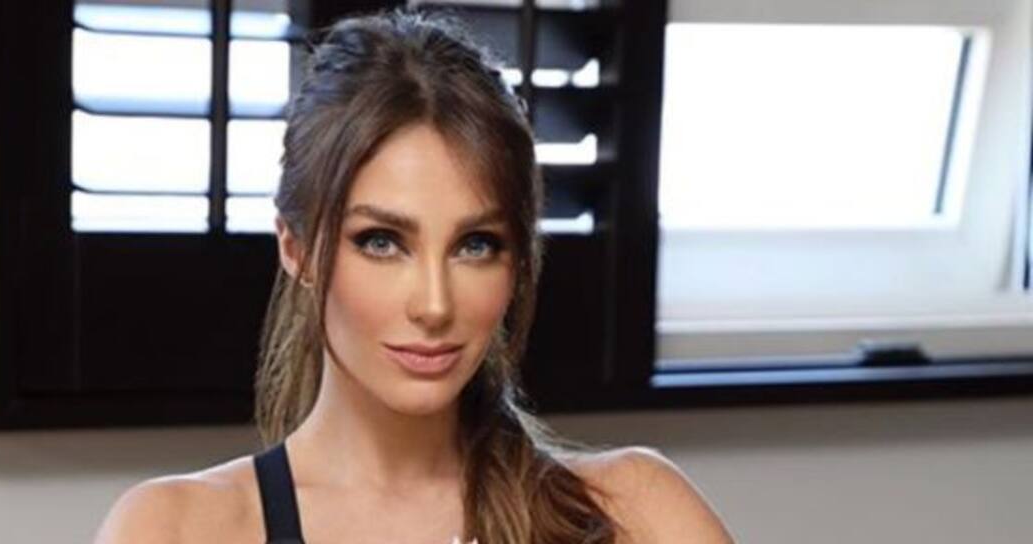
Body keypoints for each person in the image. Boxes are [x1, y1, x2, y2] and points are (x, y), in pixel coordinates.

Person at [94, 9, 734, 544]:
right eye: (381, 242)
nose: (434, 304)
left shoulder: (634, 516)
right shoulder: (175, 529)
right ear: (297, 248)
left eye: (476, 245)